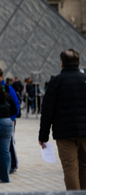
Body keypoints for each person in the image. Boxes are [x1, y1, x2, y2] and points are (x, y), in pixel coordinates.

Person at [39, 49, 86, 190]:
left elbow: (47, 111)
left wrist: (43, 136)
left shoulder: (55, 82)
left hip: (64, 134)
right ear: (78, 62)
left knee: (70, 168)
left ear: (62, 63)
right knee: (86, 167)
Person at [0, 67, 20, 173]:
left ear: (1, 77)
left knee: (9, 143)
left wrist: (12, 118)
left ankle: (13, 164)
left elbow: (16, 104)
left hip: (8, 120)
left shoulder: (8, 89)